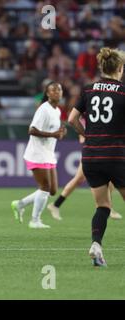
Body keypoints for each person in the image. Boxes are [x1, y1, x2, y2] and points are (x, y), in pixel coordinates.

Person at [68, 47, 125, 267]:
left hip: (91, 156)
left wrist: (87, 135)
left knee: (103, 206)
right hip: (116, 155)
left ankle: (96, 245)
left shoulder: (88, 90)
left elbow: (72, 119)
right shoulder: (122, 92)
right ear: (120, 69)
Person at [11, 82, 67, 228]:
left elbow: (54, 131)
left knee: (53, 190)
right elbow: (32, 130)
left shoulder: (57, 111)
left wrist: (60, 133)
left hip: (48, 153)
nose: (57, 92)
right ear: (47, 93)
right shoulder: (44, 109)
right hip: (37, 153)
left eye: (59, 89)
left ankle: (20, 204)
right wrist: (52, 134)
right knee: (45, 187)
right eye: (53, 90)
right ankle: (35, 220)